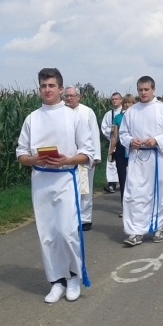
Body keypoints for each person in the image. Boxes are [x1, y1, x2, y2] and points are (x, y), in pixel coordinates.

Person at [16, 68, 94, 303]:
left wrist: (68, 159)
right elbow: (21, 153)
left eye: (51, 85)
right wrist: (33, 160)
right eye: (43, 86)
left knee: (67, 231)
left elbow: (87, 152)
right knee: (47, 233)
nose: (47, 90)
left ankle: (73, 277)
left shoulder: (74, 117)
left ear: (61, 89)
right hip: (41, 178)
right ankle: (56, 280)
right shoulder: (32, 118)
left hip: (64, 177)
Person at [118, 76, 163, 246]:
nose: (143, 93)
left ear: (153, 90)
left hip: (157, 156)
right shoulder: (131, 111)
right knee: (134, 194)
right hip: (137, 157)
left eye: (146, 89)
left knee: (158, 192)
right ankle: (135, 231)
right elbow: (123, 133)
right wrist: (131, 141)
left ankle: (157, 227)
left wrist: (157, 140)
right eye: (140, 90)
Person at [65, 86, 102, 231]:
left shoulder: (87, 112)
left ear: (79, 97)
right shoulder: (62, 112)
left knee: (85, 189)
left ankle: (85, 218)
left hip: (83, 158)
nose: (69, 99)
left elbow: (94, 134)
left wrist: (95, 157)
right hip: (67, 159)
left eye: (72, 96)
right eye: (67, 96)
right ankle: (71, 218)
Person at [108, 94, 135, 216]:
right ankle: (125, 207)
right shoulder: (117, 118)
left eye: (130, 103)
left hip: (135, 149)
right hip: (120, 149)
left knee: (135, 179)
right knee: (123, 179)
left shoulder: (138, 117)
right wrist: (110, 152)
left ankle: (136, 206)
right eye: (126, 103)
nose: (128, 105)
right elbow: (114, 136)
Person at [101, 92, 123, 193]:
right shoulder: (109, 114)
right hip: (113, 140)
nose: (114, 101)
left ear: (121, 100)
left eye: (116, 99)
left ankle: (123, 181)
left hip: (125, 142)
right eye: (113, 99)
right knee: (111, 162)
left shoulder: (126, 112)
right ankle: (111, 184)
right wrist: (111, 134)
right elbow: (104, 127)